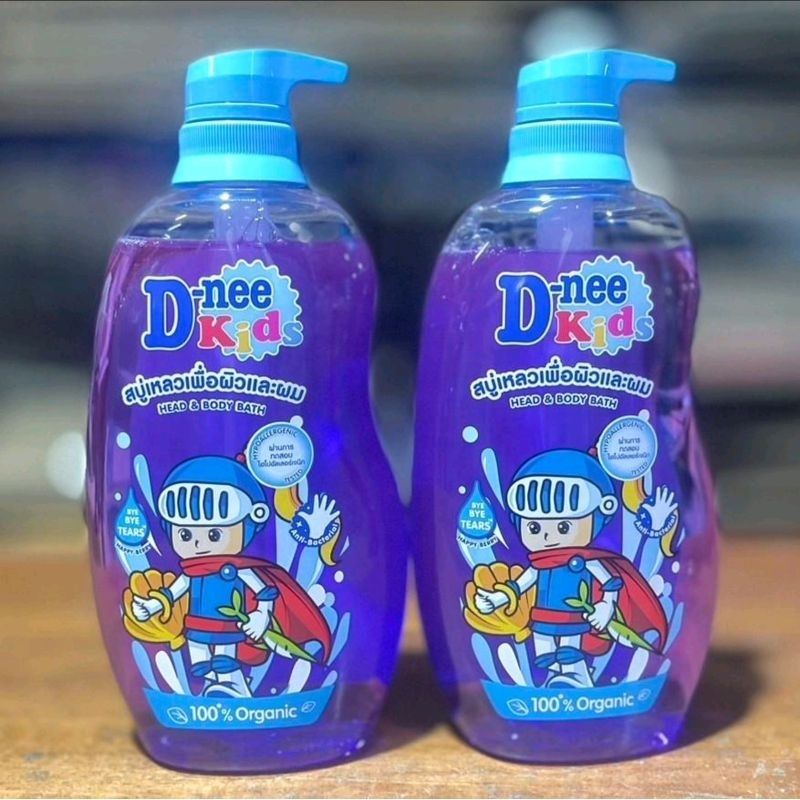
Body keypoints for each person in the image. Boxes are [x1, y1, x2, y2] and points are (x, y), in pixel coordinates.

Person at [130, 455, 335, 698]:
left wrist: (261, 615)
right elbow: (174, 591)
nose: (198, 543)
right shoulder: (191, 572)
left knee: (224, 663)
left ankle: (235, 689)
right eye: (185, 535)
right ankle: (212, 692)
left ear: (250, 524)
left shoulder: (238, 569)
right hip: (196, 627)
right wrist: (153, 606)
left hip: (226, 628)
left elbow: (264, 591)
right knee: (202, 666)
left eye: (214, 535)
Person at [474, 449, 668, 689]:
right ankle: (554, 683)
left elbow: (610, 581)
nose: (547, 535)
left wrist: (606, 606)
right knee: (545, 656)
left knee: (569, 653)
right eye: (534, 528)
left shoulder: (585, 561)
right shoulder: (539, 564)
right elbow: (522, 583)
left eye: (564, 527)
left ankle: (577, 678)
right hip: (542, 618)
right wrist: (499, 598)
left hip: (572, 618)